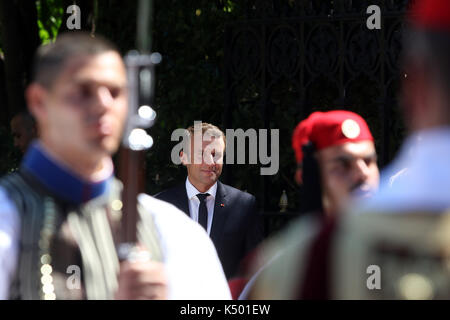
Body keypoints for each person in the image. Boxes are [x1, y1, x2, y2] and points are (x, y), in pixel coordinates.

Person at [0, 32, 231, 300]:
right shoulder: (7, 217)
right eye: (83, 91)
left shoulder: (173, 231)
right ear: (39, 102)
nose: (103, 104)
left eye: (115, 92)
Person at [246, 110, 380, 299]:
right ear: (309, 177)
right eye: (343, 165)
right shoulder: (284, 269)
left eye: (369, 161)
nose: (362, 173)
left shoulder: (405, 250)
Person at [155, 122, 263, 279]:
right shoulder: (161, 206)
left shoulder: (244, 205)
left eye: (216, 155)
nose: (210, 162)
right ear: (183, 157)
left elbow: (254, 270)